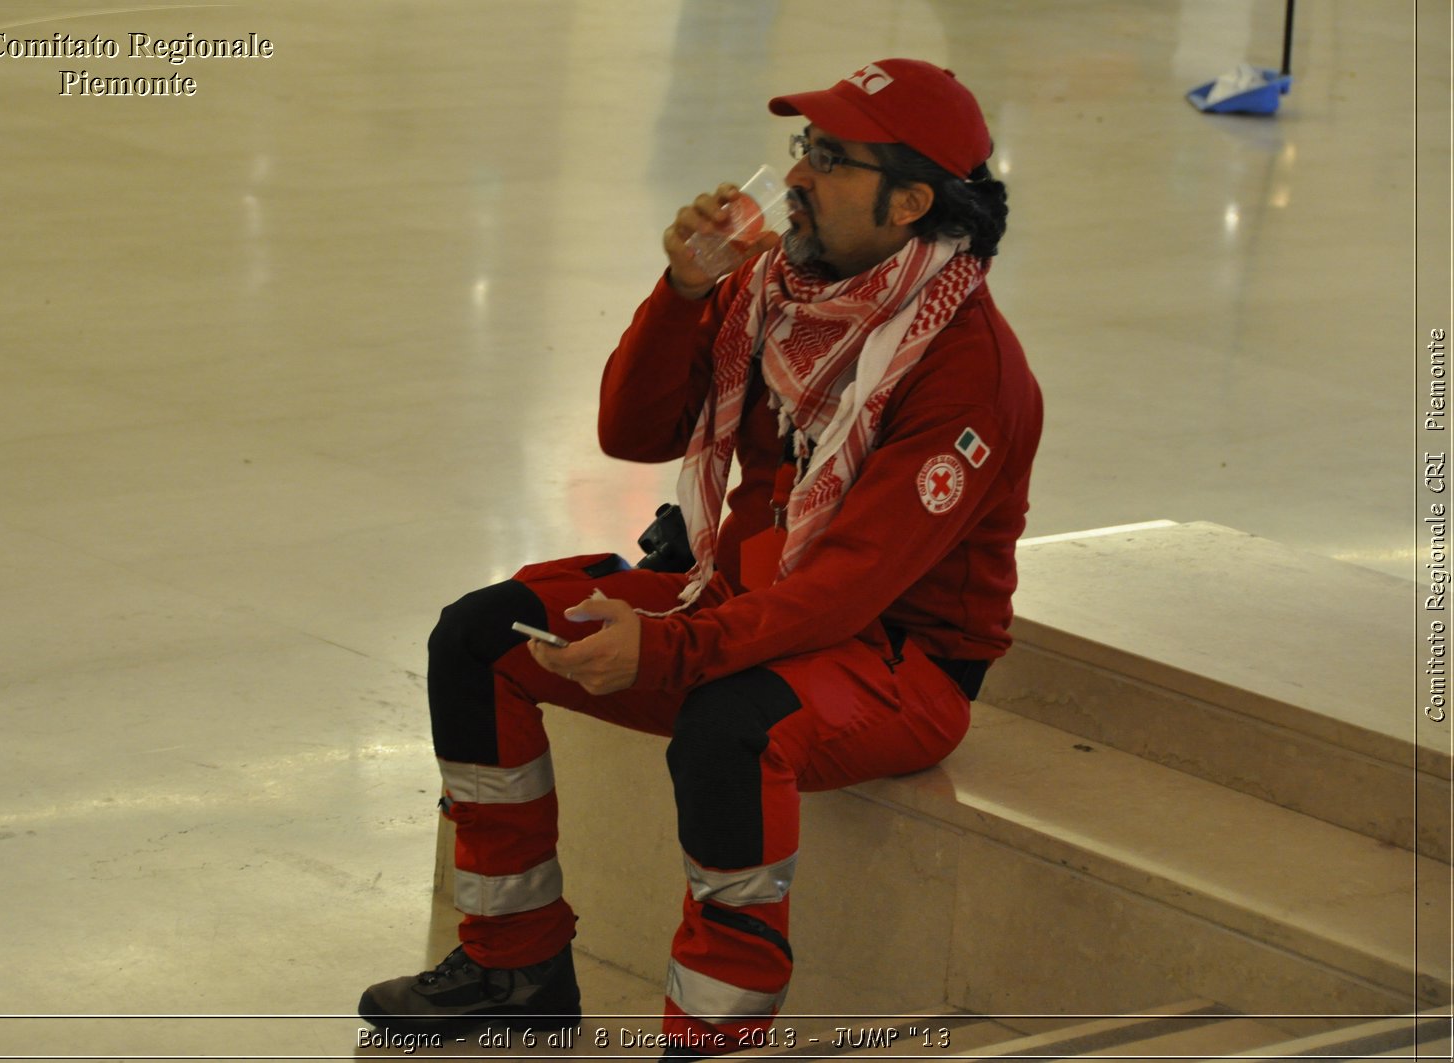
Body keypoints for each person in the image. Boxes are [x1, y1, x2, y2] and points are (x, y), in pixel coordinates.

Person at [358, 58, 1041, 1059]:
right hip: (738, 592)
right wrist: (684, 289)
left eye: (833, 159)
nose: (797, 177)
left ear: (910, 203)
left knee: (730, 726)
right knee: (480, 636)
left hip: (894, 662)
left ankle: (713, 1038)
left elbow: (844, 589)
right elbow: (631, 431)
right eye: (803, 149)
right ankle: (517, 967)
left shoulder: (964, 365)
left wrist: (670, 652)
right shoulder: (775, 294)